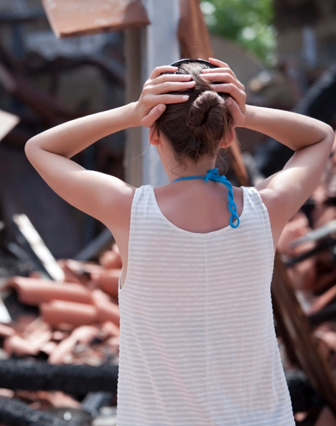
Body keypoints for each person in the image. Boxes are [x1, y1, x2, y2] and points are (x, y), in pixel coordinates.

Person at [24, 57, 335, 425]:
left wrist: (131, 112)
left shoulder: (129, 212)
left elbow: (40, 148)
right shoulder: (265, 209)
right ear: (228, 134)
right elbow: (321, 136)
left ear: (153, 133)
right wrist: (247, 113)